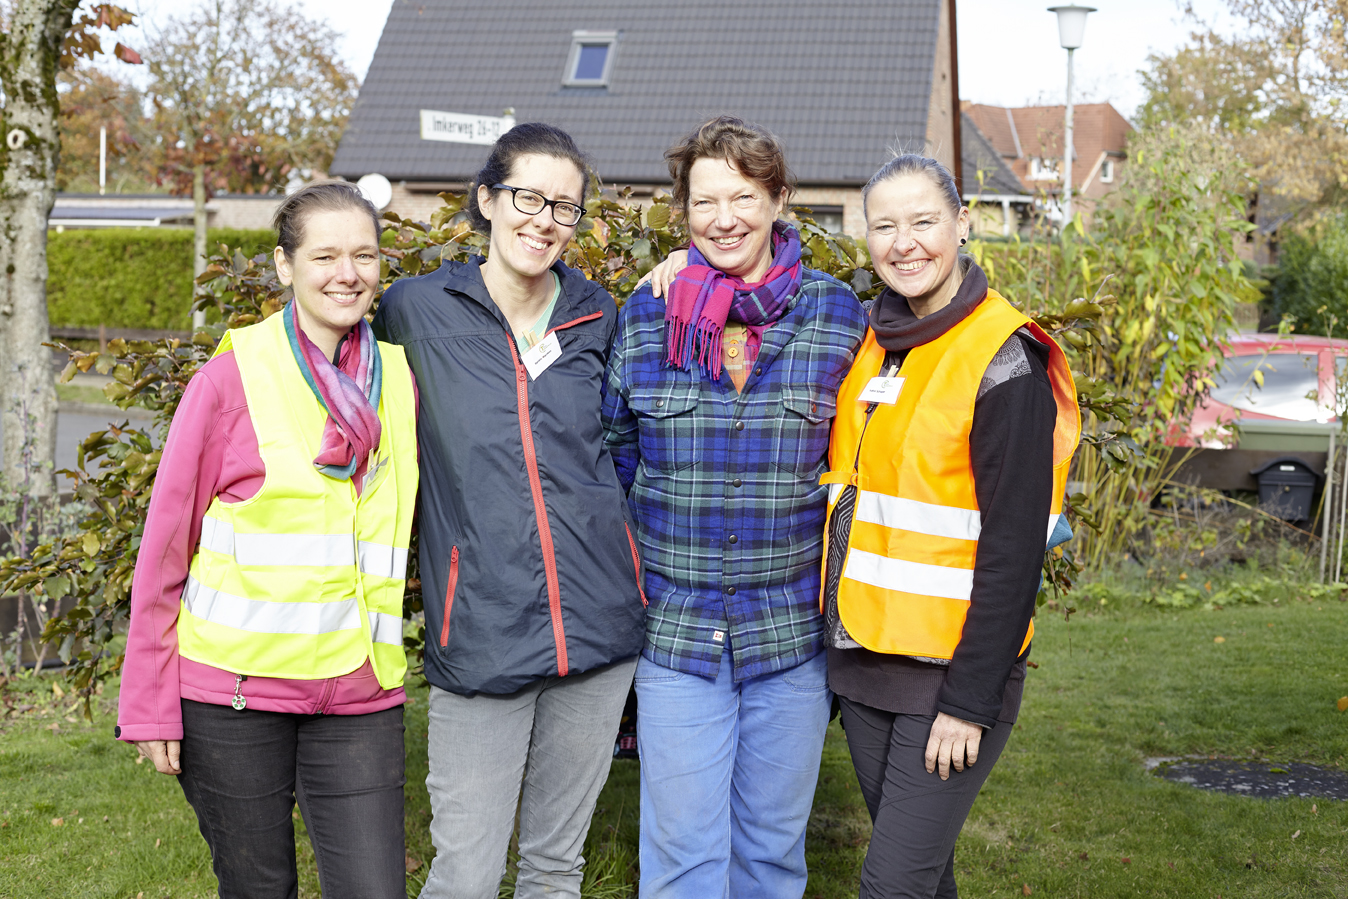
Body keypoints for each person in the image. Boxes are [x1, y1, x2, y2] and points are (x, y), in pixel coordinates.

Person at [116, 181, 418, 899]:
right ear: (284, 266)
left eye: (365, 255)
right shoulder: (230, 379)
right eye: (325, 255)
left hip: (359, 691)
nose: (347, 272)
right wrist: (151, 701)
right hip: (234, 696)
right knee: (259, 888)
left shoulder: (399, 379)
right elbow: (164, 547)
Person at [370, 122, 646, 899]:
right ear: (487, 199)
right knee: (466, 873)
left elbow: (627, 442)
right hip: (481, 630)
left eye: (564, 205)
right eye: (527, 196)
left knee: (556, 867)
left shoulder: (600, 314)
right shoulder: (415, 311)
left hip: (599, 630)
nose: (544, 218)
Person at [600, 115, 868, 899]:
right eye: (704, 202)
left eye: (744, 197)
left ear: (779, 199)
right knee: (682, 854)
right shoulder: (647, 317)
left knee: (771, 856)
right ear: (682, 211)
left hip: (789, 638)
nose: (724, 219)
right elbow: (614, 458)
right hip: (677, 637)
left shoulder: (837, 316)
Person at [821, 154, 1080, 899]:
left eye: (925, 221)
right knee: (924, 878)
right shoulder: (881, 340)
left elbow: (1011, 551)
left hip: (952, 678)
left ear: (962, 224)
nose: (905, 242)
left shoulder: (1005, 358)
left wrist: (970, 700)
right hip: (866, 664)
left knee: (892, 883)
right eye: (886, 225)